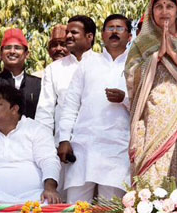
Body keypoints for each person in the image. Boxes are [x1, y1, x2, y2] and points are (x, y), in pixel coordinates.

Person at [57, 14, 133, 202]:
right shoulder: (88, 64)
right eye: (110, 28)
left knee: (111, 207)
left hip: (118, 149)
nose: (114, 32)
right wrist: (64, 139)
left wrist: (125, 99)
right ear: (102, 35)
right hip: (84, 147)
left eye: (120, 28)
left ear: (129, 36)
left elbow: (145, 105)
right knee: (76, 206)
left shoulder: (136, 65)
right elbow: (71, 104)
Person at [125, 0, 177, 185]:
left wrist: (173, 55)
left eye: (169, 6)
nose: (164, 11)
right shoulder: (142, 42)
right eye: (159, 6)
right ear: (152, 11)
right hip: (150, 112)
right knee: (150, 166)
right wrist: (156, 57)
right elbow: (130, 75)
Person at [0, 84, 62, 204]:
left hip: (34, 197)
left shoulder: (36, 129)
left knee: (48, 200)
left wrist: (50, 188)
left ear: (14, 109)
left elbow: (49, 161)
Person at [35, 15, 96, 141]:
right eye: (67, 32)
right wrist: (43, 145)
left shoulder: (103, 64)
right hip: (63, 146)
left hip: (97, 144)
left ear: (89, 37)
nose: (68, 36)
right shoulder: (54, 69)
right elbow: (45, 112)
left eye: (73, 32)